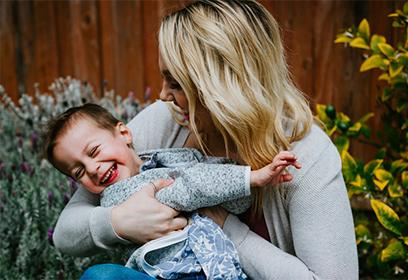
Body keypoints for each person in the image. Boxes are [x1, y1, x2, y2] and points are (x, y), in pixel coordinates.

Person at [52, 0, 358, 279]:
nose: (162, 95)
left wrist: (225, 227)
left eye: (176, 84)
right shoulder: (166, 120)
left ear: (223, 86)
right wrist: (119, 222)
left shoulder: (307, 155)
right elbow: (66, 232)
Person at [45, 103, 300, 279]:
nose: (92, 168)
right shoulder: (119, 196)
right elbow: (187, 189)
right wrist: (252, 177)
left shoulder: (165, 160)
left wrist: (236, 185)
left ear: (124, 133)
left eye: (93, 152)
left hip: (219, 267)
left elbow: (232, 203)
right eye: (78, 172)